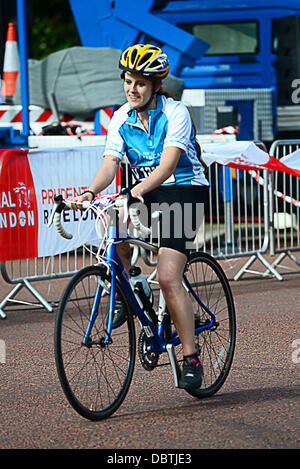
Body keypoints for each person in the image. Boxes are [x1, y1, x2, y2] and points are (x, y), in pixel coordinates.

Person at [69, 44, 209, 389]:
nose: (133, 89)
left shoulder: (176, 113)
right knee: (109, 219)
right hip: (146, 188)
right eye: (128, 81)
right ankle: (127, 285)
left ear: (156, 86)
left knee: (168, 275)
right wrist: (89, 192)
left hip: (183, 190)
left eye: (141, 83)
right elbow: (110, 164)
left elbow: (168, 166)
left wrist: (132, 192)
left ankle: (191, 357)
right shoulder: (121, 117)